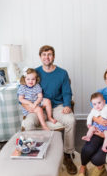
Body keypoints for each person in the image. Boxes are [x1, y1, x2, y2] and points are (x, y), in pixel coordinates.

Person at [22, 45, 77, 175]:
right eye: (44, 55)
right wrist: (28, 106)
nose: (47, 57)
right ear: (40, 57)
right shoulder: (34, 73)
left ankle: (67, 154)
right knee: (28, 123)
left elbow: (67, 92)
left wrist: (67, 105)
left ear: (53, 56)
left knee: (71, 120)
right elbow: (23, 91)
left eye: (50, 54)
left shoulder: (62, 73)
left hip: (57, 106)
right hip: (39, 107)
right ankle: (33, 151)